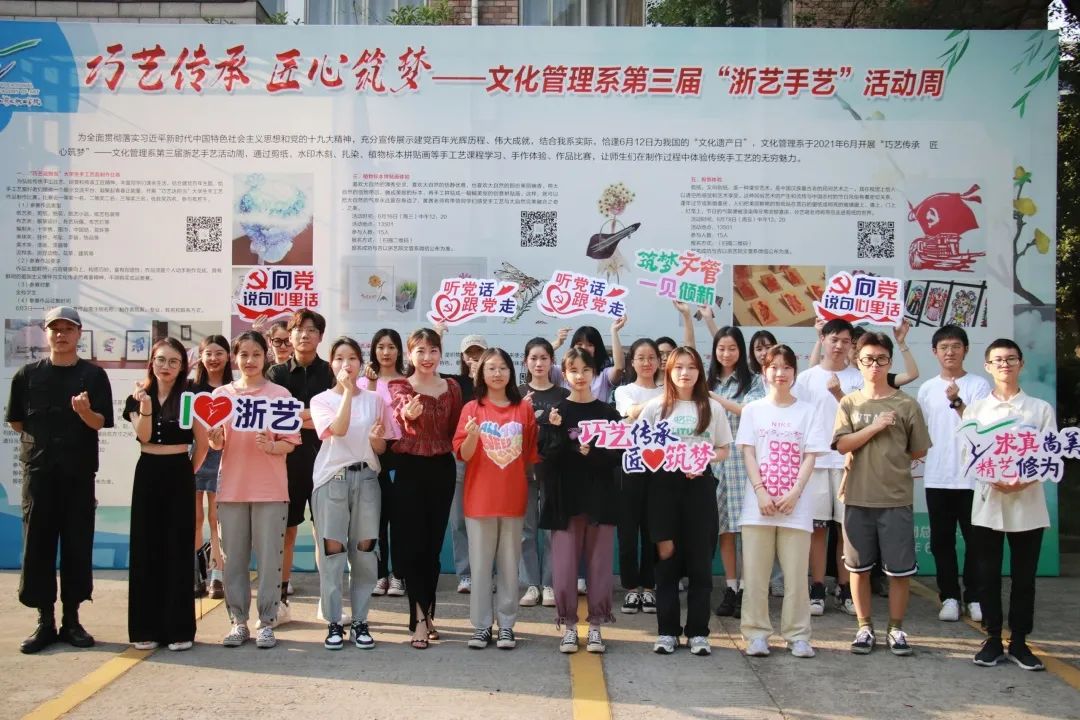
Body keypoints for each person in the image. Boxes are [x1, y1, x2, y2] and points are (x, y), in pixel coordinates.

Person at [8, 306, 113, 654]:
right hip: (39, 475)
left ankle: (72, 620)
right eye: (55, 329)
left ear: (79, 334)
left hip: (78, 475)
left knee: (76, 545)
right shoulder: (27, 375)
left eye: (68, 328)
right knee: (38, 545)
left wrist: (84, 412)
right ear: (46, 333)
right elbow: (17, 422)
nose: (61, 334)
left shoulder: (93, 376)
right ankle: (45, 621)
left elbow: (100, 422)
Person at [833, 331, 931, 657]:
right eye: (868, 359)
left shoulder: (906, 404)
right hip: (857, 498)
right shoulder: (850, 402)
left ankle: (896, 628)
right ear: (857, 362)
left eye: (881, 359)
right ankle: (864, 627)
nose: (874, 365)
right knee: (858, 569)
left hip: (896, 499)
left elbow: (918, 450)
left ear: (889, 361)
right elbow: (842, 444)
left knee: (899, 571)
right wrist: (875, 427)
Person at [967, 339, 1055, 671]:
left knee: (1024, 577)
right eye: (998, 360)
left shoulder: (1040, 409)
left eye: (1011, 359)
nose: (1005, 364)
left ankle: (1019, 641)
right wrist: (995, 478)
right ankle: (992, 638)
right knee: (987, 575)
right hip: (989, 502)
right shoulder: (976, 410)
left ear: (1021, 363)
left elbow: (1049, 455)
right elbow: (968, 454)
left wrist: (1022, 481)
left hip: (1028, 502)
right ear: (987, 366)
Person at [210, 331, 300, 649]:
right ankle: (238, 622)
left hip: (270, 489)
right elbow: (217, 442)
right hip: (232, 489)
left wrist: (271, 446)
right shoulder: (221, 395)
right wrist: (215, 440)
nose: (250, 361)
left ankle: (267, 622)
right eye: (244, 354)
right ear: (235, 358)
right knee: (233, 559)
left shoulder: (280, 395)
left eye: (256, 354)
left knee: (269, 559)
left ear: (266, 357)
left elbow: (290, 443)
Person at [737, 345, 827, 659]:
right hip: (757, 507)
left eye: (786, 367)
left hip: (796, 508)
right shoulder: (753, 410)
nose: (780, 373)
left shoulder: (808, 411)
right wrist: (761, 491)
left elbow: (810, 455)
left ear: (794, 372)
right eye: (773, 367)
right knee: (755, 577)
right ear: (764, 372)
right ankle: (756, 634)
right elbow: (748, 453)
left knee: (796, 578)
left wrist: (795, 493)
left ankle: (798, 635)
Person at [641, 347, 732, 656]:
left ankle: (698, 633)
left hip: (699, 489)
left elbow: (723, 448)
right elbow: (640, 447)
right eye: (678, 366)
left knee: (700, 565)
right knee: (666, 562)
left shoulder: (712, 407)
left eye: (691, 367)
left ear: (699, 372)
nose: (685, 372)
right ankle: (667, 631)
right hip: (663, 491)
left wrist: (701, 458)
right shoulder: (656, 407)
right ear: (668, 370)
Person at [309, 337, 394, 650]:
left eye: (353, 358)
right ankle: (334, 620)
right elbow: (339, 430)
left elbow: (380, 447)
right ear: (331, 363)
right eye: (340, 358)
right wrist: (347, 392)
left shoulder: (375, 400)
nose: (346, 364)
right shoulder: (321, 400)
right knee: (332, 553)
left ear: (361, 363)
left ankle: (360, 621)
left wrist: (376, 438)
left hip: (367, 478)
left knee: (365, 552)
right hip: (333, 480)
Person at [125, 338, 208, 651]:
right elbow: (144, 436)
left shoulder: (190, 397)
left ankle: (178, 629)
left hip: (178, 472)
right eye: (161, 360)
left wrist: (188, 471)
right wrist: (145, 408)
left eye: (174, 361)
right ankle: (145, 628)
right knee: (146, 546)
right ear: (152, 362)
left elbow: (202, 443)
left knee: (177, 548)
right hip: (147, 472)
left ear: (182, 366)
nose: (166, 367)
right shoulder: (137, 397)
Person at [454, 348, 539, 650]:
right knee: (479, 566)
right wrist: (473, 436)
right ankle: (481, 626)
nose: (497, 373)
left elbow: (529, 455)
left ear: (511, 372)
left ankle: (506, 625)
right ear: (481, 373)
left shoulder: (523, 409)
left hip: (513, 498)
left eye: (503, 367)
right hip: (479, 501)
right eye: (491, 368)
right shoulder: (471, 408)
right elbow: (463, 455)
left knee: (508, 565)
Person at [540, 348, 623, 654]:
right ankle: (569, 626)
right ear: (564, 373)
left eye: (586, 370)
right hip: (565, 500)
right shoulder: (556, 411)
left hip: (601, 499)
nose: (580, 376)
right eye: (573, 370)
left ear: (595, 373)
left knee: (600, 566)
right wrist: (554, 430)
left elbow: (619, 456)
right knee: (564, 567)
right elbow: (546, 459)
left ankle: (597, 626)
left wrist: (594, 454)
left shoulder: (608, 413)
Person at [388, 329, 463, 649]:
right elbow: (400, 410)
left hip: (442, 470)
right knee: (413, 547)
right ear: (410, 354)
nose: (427, 357)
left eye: (433, 350)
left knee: (432, 548)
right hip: (410, 470)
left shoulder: (453, 388)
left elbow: (457, 429)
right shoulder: (400, 386)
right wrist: (408, 414)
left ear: (441, 353)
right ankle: (419, 619)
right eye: (420, 350)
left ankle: (428, 613)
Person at [916, 325, 990, 623]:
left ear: (966, 350)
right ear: (935, 352)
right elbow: (920, 432)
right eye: (944, 347)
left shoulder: (979, 385)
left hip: (972, 477)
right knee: (941, 541)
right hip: (937, 475)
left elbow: (981, 427)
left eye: (956, 346)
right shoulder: (926, 389)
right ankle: (948, 596)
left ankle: (974, 597)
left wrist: (958, 401)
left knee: (976, 541)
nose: (950, 352)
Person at [792, 318, 863, 616]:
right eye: (834, 339)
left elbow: (863, 418)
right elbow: (797, 419)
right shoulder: (807, 378)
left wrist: (838, 394)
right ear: (822, 339)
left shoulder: (859, 378)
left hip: (849, 463)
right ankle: (818, 586)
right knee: (818, 530)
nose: (839, 346)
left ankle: (845, 588)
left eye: (846, 341)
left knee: (847, 530)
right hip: (817, 463)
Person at [266, 309, 335, 616]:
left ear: (320, 337)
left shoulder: (331, 373)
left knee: (326, 533)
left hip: (325, 462)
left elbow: (335, 419)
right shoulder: (276, 375)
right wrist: (314, 417)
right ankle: (280, 600)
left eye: (312, 330)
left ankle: (328, 601)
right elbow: (276, 420)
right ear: (290, 335)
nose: (304, 335)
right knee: (287, 531)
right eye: (298, 330)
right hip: (286, 465)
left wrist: (300, 416)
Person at [708, 327, 766, 618]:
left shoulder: (754, 381)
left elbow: (748, 411)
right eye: (721, 348)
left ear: (741, 351)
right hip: (714, 465)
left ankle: (747, 589)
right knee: (725, 532)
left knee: (747, 532)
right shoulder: (707, 381)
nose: (726, 354)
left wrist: (714, 399)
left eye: (732, 348)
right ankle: (731, 587)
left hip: (744, 466)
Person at [613, 338, 664, 615]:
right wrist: (664, 399)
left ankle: (650, 587)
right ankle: (632, 588)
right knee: (628, 532)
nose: (646, 363)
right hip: (630, 467)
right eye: (641, 358)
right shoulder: (624, 391)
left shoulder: (668, 390)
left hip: (660, 469)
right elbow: (631, 412)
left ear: (659, 361)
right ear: (632, 362)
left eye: (651, 357)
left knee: (654, 530)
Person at [518, 337, 568, 608]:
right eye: (533, 358)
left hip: (553, 470)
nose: (538, 363)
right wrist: (521, 413)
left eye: (544, 358)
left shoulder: (563, 395)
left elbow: (569, 434)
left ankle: (549, 583)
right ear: (526, 361)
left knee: (551, 529)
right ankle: (530, 585)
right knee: (525, 530)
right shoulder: (517, 394)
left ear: (552, 361)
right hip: (523, 470)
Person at [190, 334, 232, 600]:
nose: (214, 359)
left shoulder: (233, 389)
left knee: (218, 518)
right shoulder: (189, 389)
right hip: (194, 456)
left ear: (228, 356)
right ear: (201, 357)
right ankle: (196, 573)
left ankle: (218, 573)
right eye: (209, 353)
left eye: (219, 353)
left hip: (224, 457)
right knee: (194, 517)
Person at [365, 328, 406, 597]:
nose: (386, 352)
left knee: (400, 518)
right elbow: (362, 415)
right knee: (377, 519)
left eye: (391, 346)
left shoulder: (408, 381)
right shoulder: (362, 382)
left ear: (399, 351)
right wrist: (370, 384)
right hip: (374, 451)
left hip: (402, 451)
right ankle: (380, 575)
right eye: (381, 346)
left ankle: (399, 575)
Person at [449, 333, 486, 595]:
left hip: (490, 458)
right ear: (462, 357)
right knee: (459, 520)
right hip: (461, 457)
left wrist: (479, 381)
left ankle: (485, 573)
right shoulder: (454, 384)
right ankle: (465, 574)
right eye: (470, 353)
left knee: (486, 521)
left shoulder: (494, 383)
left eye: (479, 353)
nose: (474, 358)